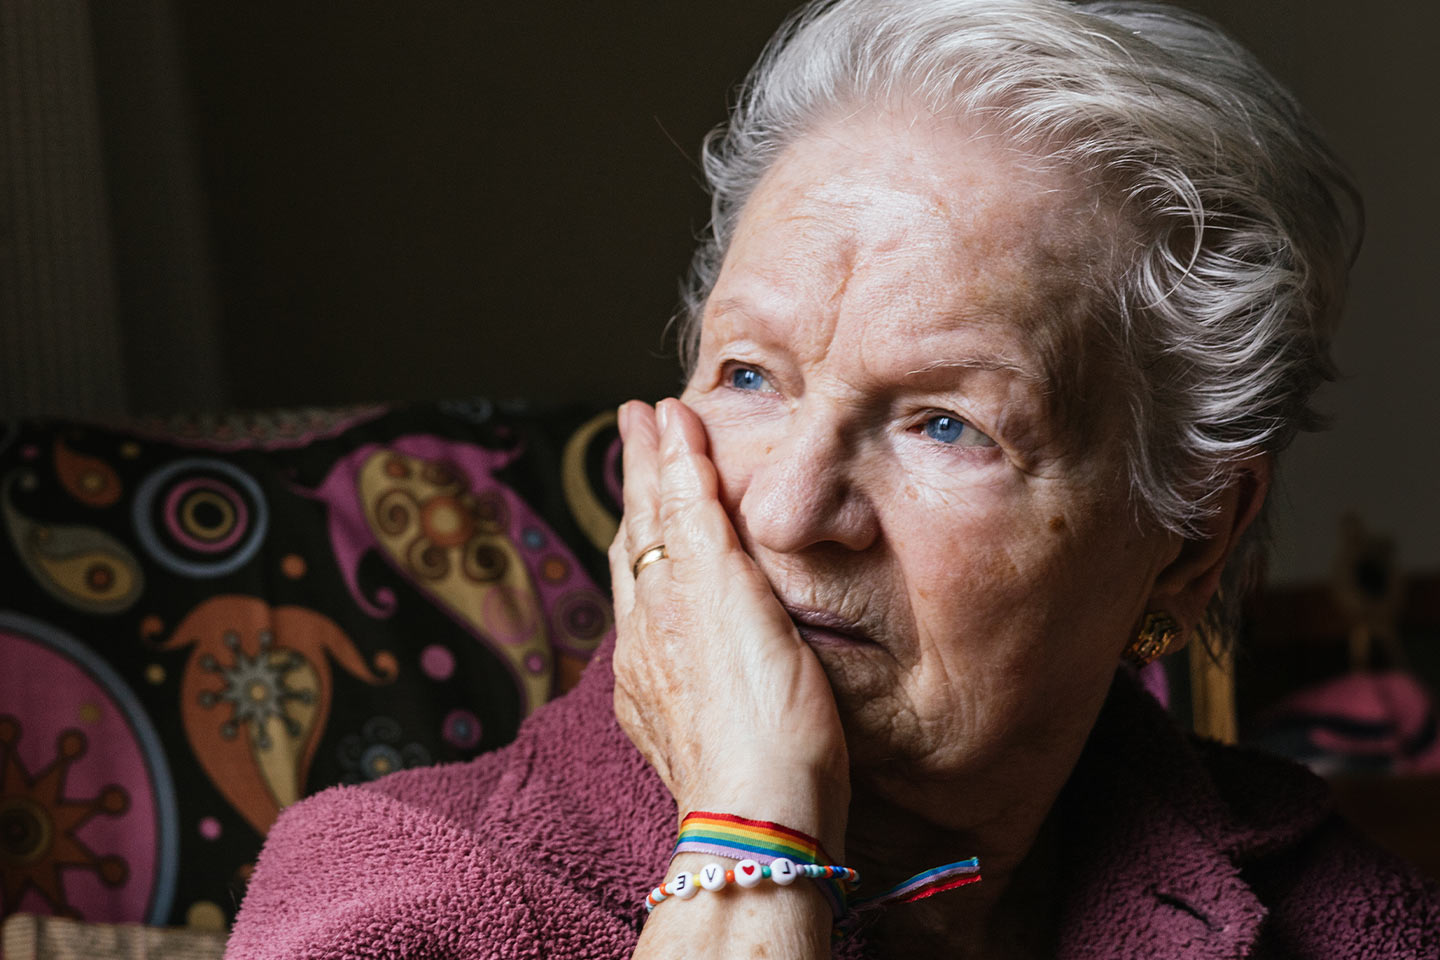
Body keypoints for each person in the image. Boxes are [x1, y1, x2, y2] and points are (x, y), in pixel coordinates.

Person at [224, 1, 1438, 957]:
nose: (792, 510)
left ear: (1189, 541)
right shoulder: (393, 903)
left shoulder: (1326, 914)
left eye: (946, 426)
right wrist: (754, 837)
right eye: (750, 375)